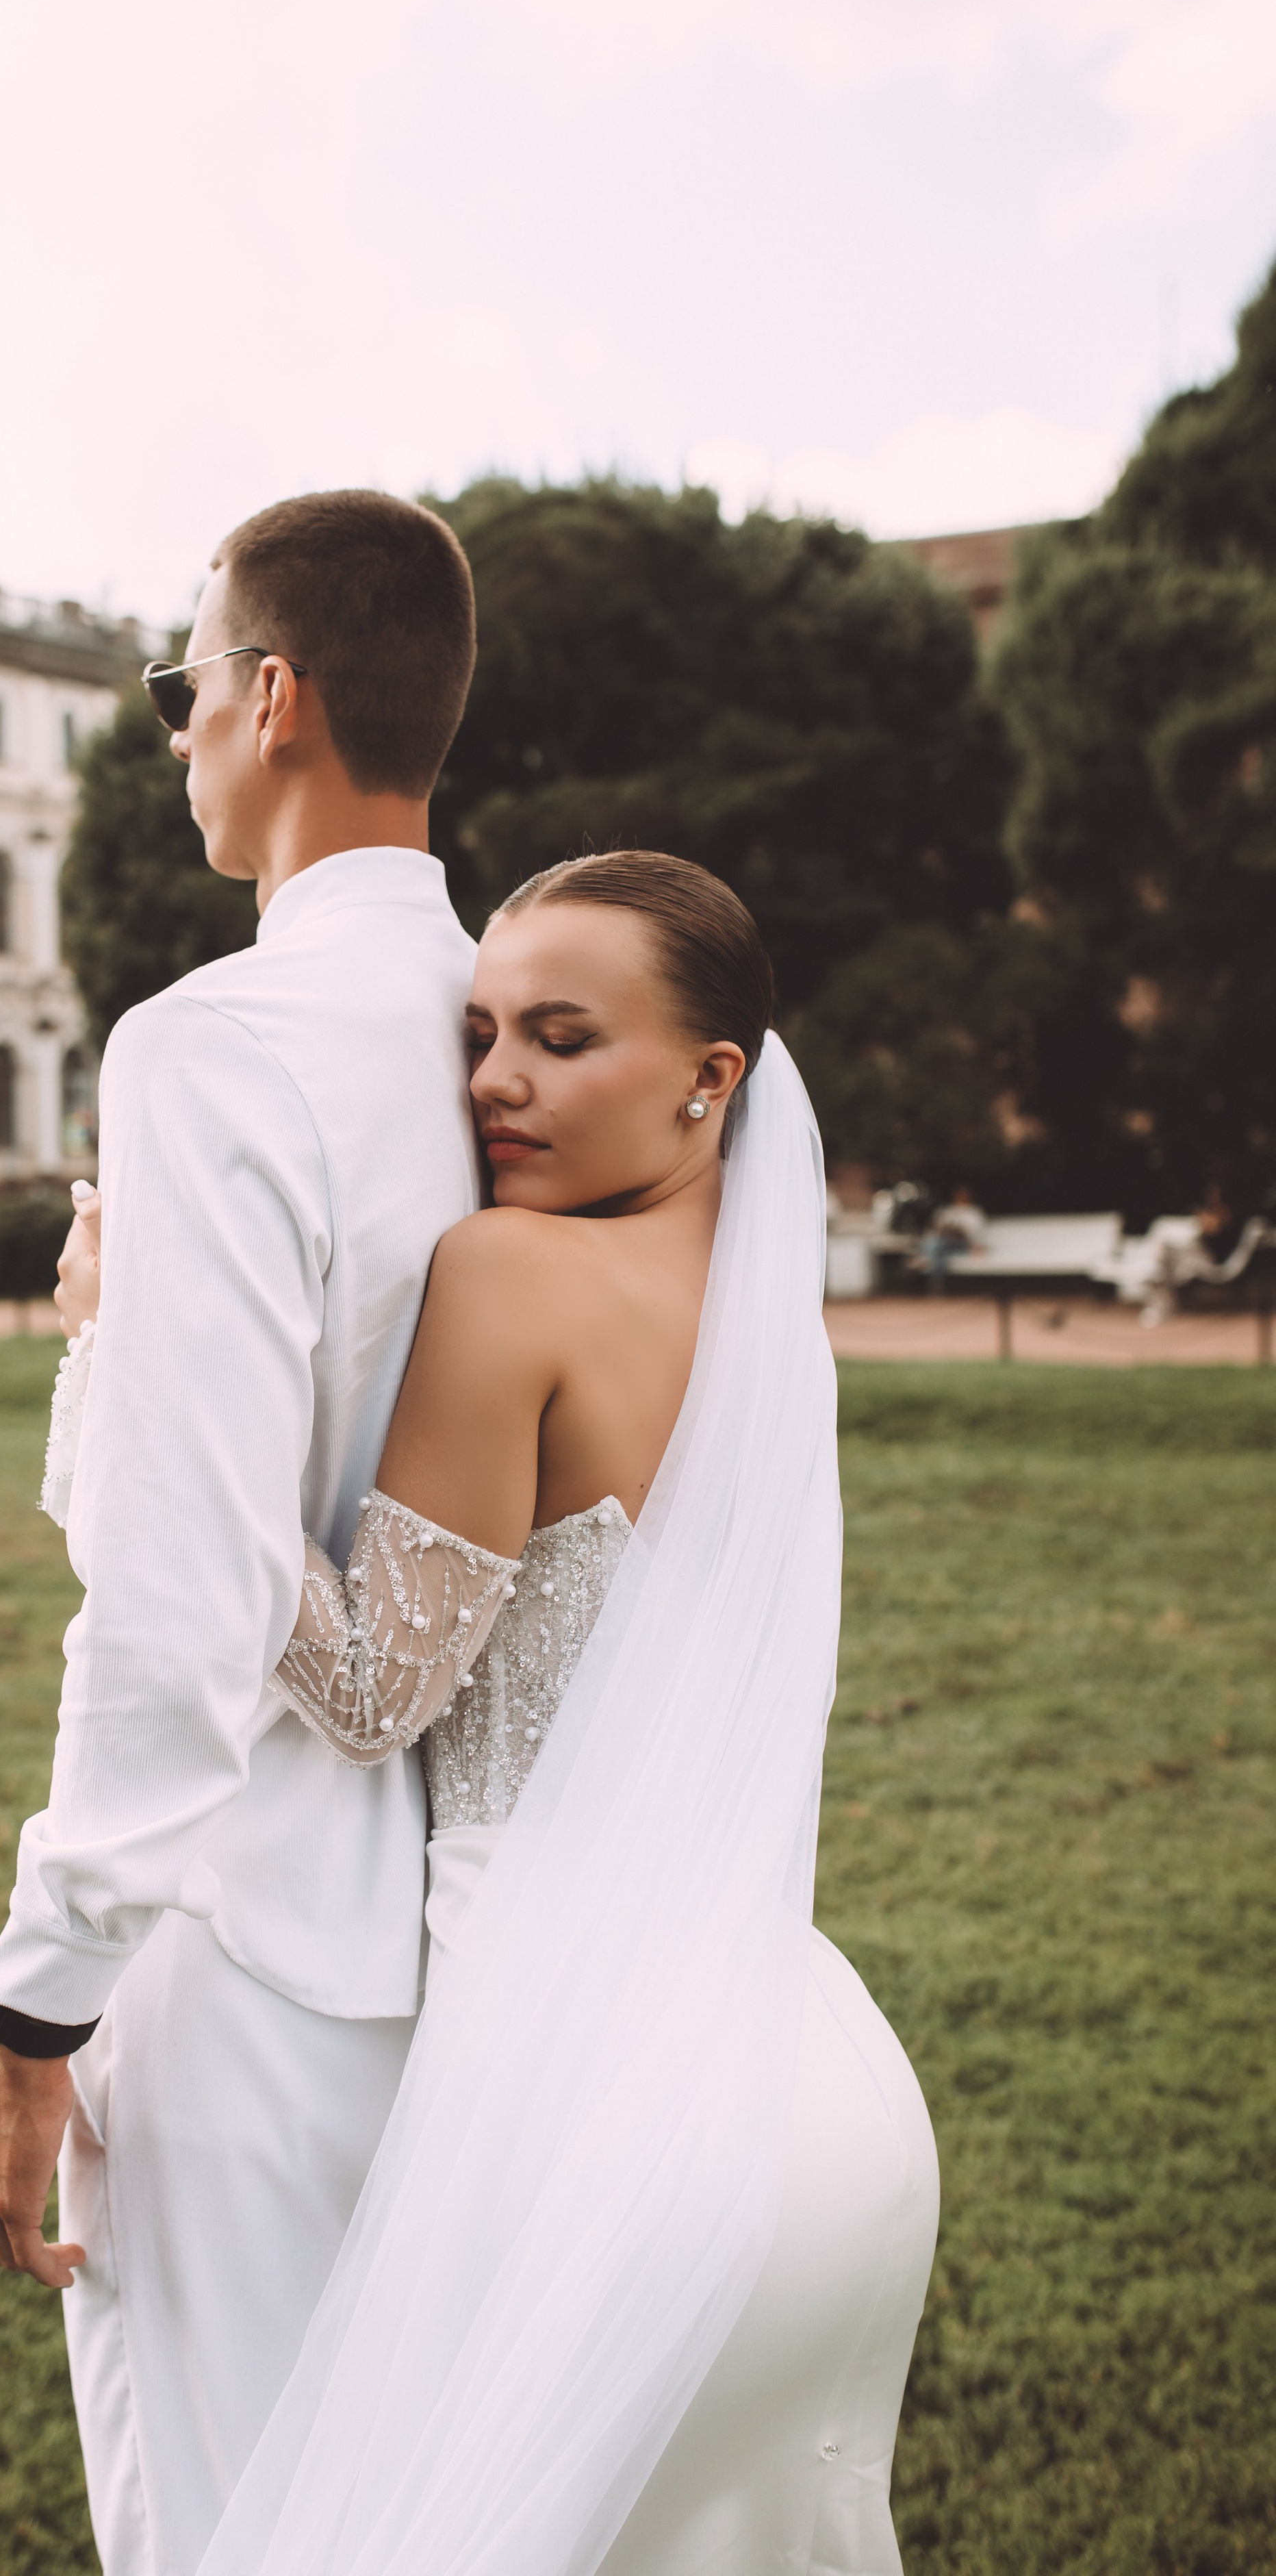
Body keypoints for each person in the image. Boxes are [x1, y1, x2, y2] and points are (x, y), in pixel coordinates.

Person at [201, 852, 940, 2576]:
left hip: (583, 2112)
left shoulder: (510, 1271)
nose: (492, 1084)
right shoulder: (765, 1326)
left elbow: (379, 1688)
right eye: (476, 1037)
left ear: (711, 1076)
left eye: (556, 1037)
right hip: (816, 2097)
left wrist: (135, 1402)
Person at [0, 490, 483, 2576]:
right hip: (481, 1943)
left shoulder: (208, 1053)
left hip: (247, 1945)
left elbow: (181, 1603)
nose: (177, 731)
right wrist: (121, 1348)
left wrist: (31, 2022)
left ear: (273, 700)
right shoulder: (530, 1030)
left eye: (187, 687)